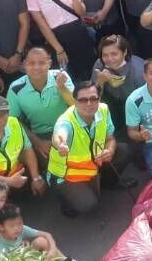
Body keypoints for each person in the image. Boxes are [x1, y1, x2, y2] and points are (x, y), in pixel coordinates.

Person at [47, 80, 126, 217]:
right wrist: (60, 143)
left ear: (99, 99)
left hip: (93, 164)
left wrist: (110, 150)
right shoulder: (66, 121)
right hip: (67, 175)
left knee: (124, 150)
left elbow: (110, 139)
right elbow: (60, 135)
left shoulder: (103, 109)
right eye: (83, 100)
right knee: (88, 204)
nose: (89, 104)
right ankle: (65, 198)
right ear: (75, 101)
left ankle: (106, 183)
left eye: (93, 99)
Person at [25, 0, 96, 81]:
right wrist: (58, 49)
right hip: (57, 37)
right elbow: (42, 25)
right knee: (68, 76)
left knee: (88, 70)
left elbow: (81, 13)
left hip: (79, 32)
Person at [0, 204, 87, 261]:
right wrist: (25, 252)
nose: (17, 228)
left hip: (30, 259)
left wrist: (52, 249)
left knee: (41, 241)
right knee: (24, 260)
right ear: (1, 227)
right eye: (12, 226)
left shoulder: (22, 229)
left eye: (20, 223)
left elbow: (47, 234)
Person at [5, 44, 74, 161]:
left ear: (50, 64)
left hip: (68, 128)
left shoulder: (60, 76)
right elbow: (13, 121)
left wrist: (61, 87)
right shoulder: (15, 88)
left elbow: (76, 105)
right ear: (24, 65)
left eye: (41, 63)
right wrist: (38, 143)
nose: (36, 67)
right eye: (31, 63)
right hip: (39, 135)